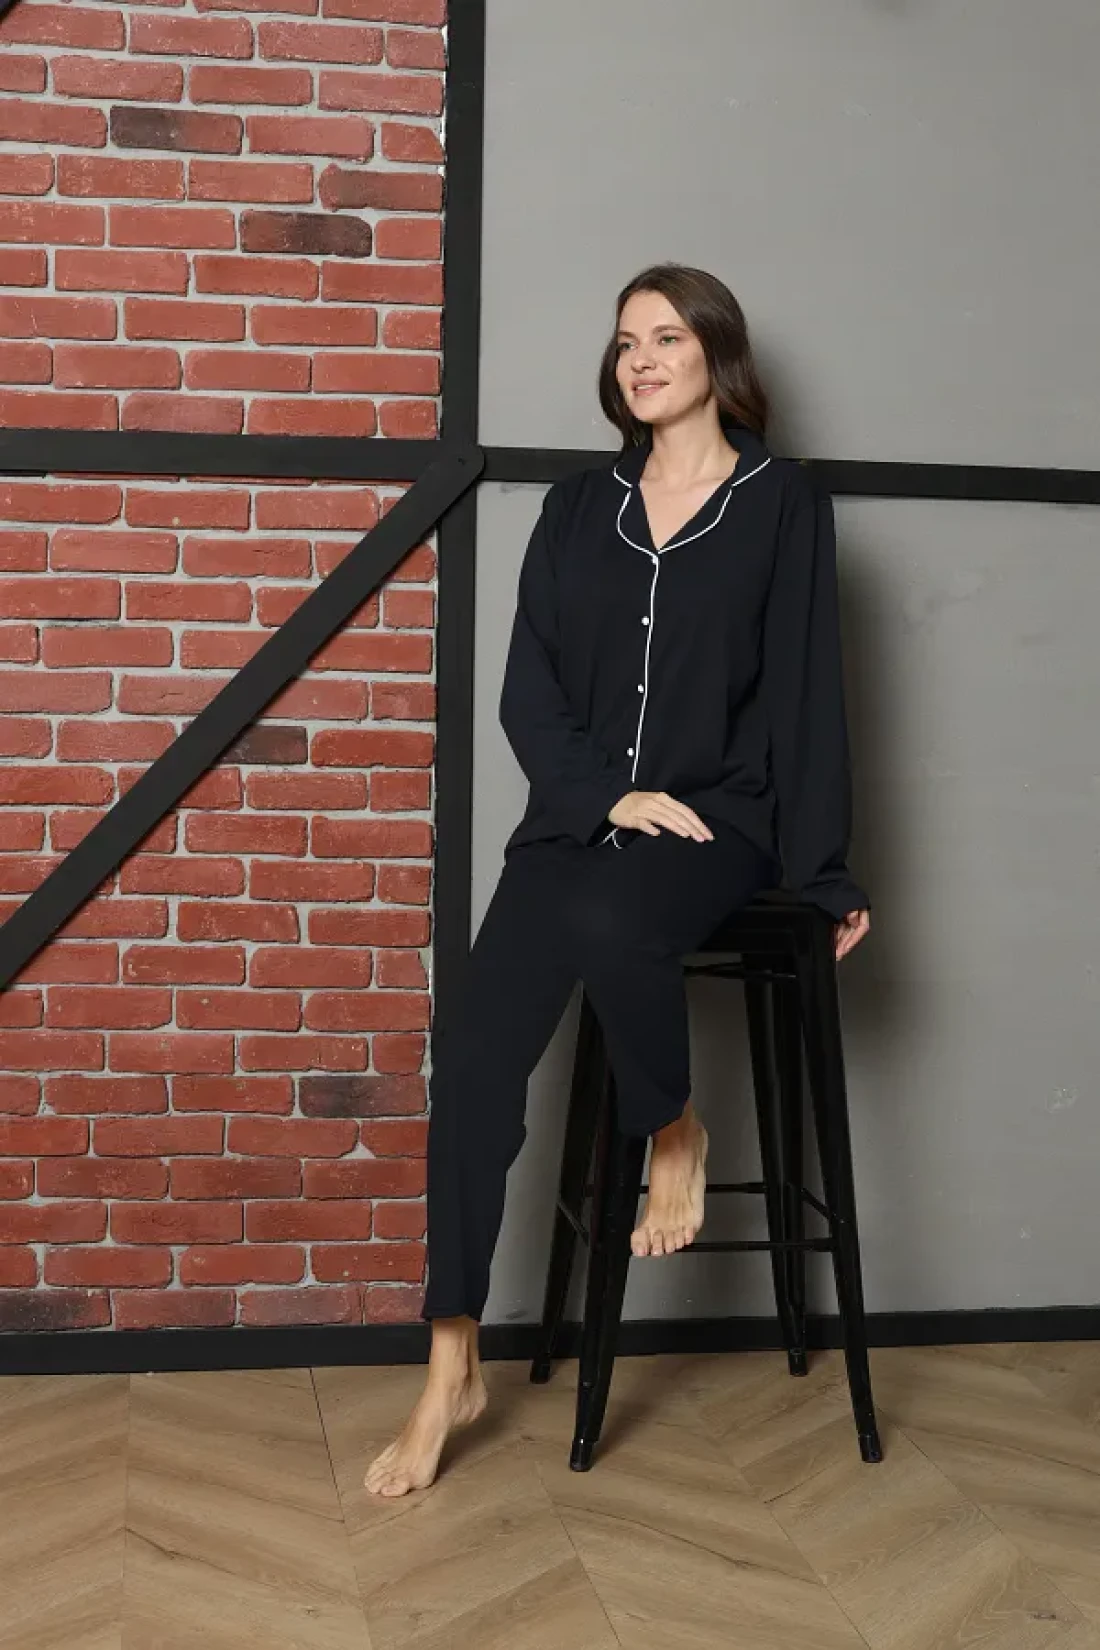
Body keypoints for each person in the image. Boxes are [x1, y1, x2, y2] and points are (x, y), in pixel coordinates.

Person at [364, 262, 872, 1498]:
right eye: (625, 341)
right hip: (577, 824)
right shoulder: (574, 507)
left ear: (716, 357)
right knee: (471, 1065)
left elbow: (805, 694)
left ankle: (671, 1124)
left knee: (610, 917)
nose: (639, 359)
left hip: (715, 824)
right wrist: (601, 798)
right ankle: (449, 1364)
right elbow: (526, 688)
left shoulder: (778, 504)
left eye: (665, 338)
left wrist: (824, 874)